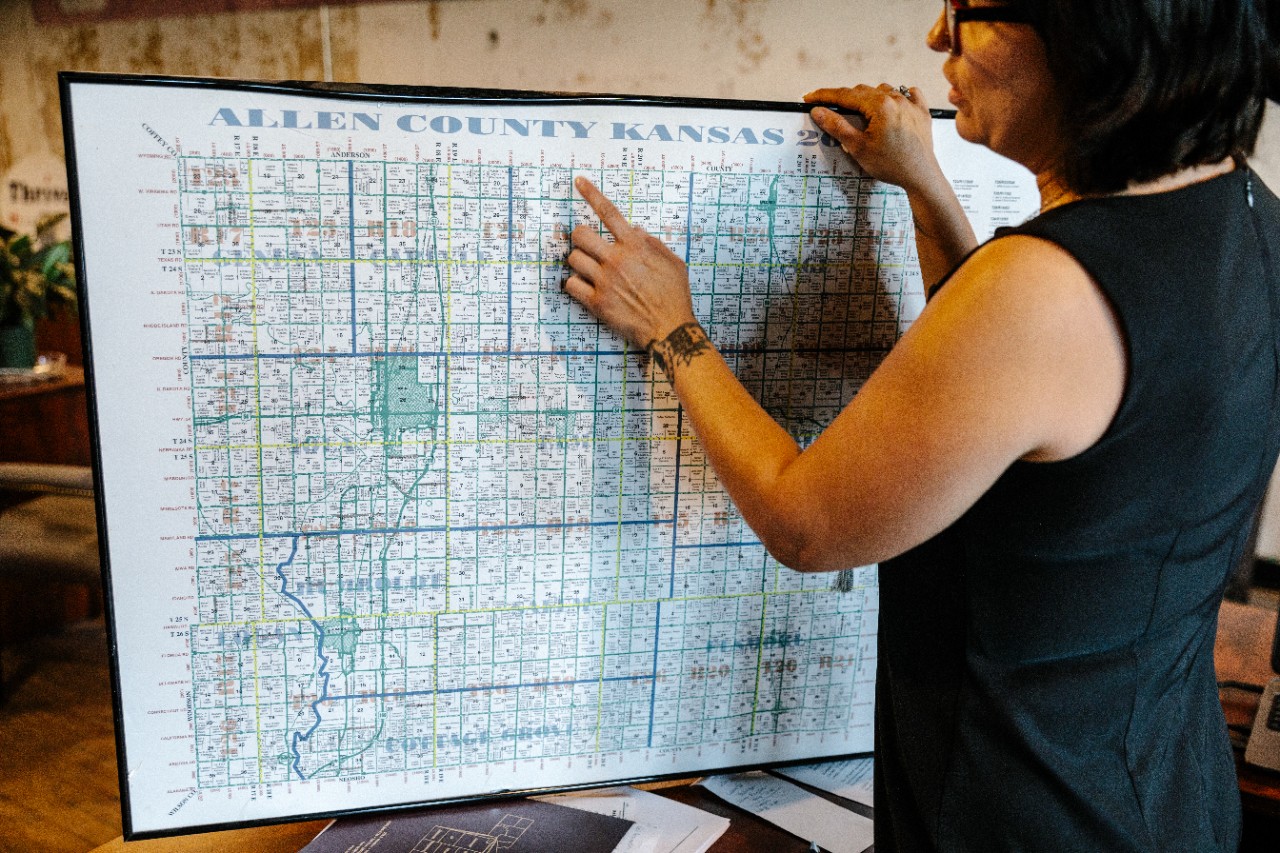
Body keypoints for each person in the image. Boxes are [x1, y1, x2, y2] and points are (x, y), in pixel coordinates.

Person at [563, 0, 1280, 849]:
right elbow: (1015, 394)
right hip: (1168, 798)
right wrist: (927, 185)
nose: (940, 36)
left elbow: (805, 521)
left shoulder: (1041, 291)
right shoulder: (1247, 211)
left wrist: (669, 326)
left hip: (1018, 814)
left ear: (1089, 38)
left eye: (968, 10)